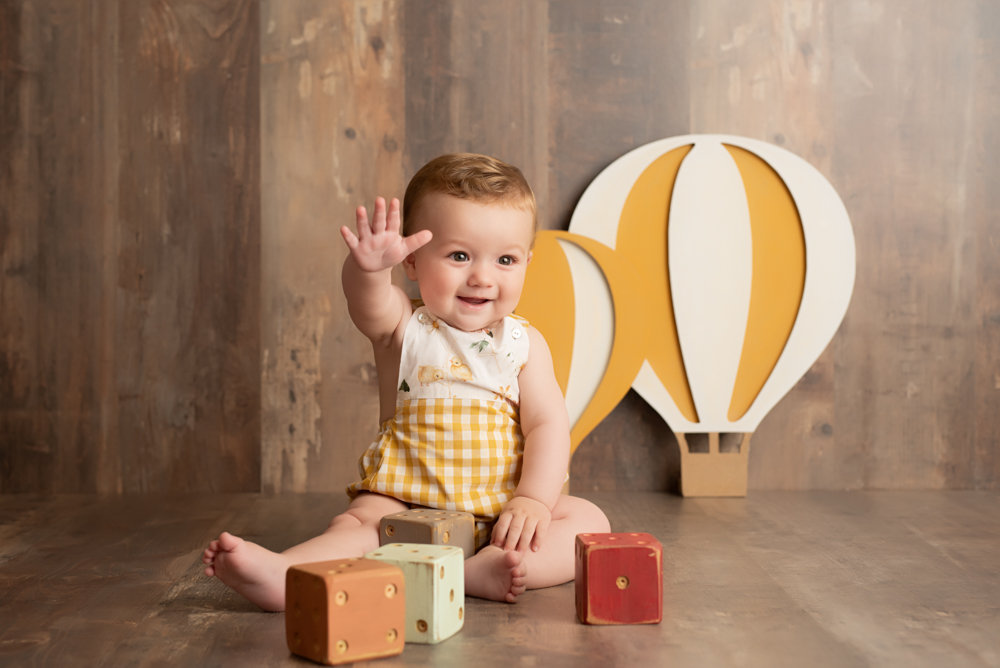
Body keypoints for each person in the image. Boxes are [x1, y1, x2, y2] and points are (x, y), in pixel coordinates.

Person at [202, 153, 610, 611]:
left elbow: (548, 425)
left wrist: (533, 499)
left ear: (526, 263)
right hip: (405, 503)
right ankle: (286, 573)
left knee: (587, 520)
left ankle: (485, 567)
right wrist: (369, 270)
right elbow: (368, 303)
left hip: (501, 508)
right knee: (360, 525)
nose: (482, 276)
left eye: (505, 259)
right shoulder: (404, 325)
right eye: (459, 256)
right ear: (412, 261)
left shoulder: (524, 343)